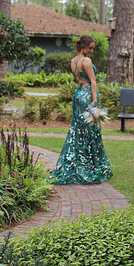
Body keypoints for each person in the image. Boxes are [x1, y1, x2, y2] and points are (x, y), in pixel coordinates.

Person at [51, 35, 113, 184]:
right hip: (86, 95)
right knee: (90, 130)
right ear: (83, 46)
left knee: (77, 129)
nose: (91, 51)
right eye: (90, 48)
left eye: (93, 48)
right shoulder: (86, 61)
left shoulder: (74, 61)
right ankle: (91, 167)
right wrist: (95, 102)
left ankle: (77, 164)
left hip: (77, 95)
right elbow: (93, 81)